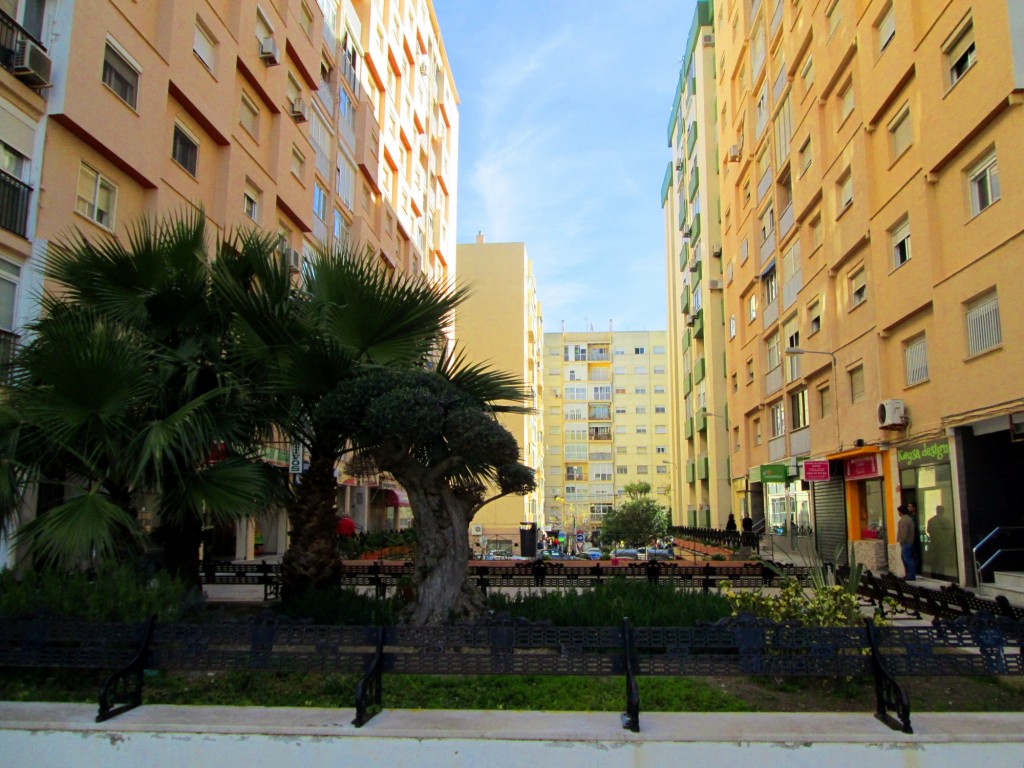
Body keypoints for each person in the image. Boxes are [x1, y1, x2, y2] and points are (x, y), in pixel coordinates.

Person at [927, 504, 955, 576]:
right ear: (943, 511)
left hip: (934, 543)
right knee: (942, 559)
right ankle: (941, 574)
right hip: (943, 544)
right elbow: (950, 532)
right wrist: (947, 541)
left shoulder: (931, 520)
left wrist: (934, 538)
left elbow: (928, 531)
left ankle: (933, 573)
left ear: (936, 511)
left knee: (934, 559)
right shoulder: (946, 521)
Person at [897, 505, 916, 580]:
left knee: (907, 559)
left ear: (901, 512)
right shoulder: (909, 519)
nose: (898, 513)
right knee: (906, 558)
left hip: (906, 542)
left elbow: (904, 532)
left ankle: (910, 575)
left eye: (898, 512)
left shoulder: (904, 520)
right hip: (909, 541)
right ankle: (909, 574)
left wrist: (901, 540)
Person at [908, 501, 923, 572]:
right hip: (912, 539)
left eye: (910, 507)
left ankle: (918, 569)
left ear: (914, 508)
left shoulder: (917, 517)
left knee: (916, 554)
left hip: (916, 538)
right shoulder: (910, 517)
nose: (908, 508)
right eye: (908, 507)